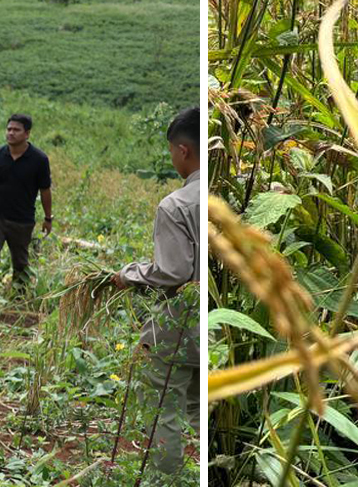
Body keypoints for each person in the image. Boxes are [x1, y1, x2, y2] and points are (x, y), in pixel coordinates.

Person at [111, 106, 201, 475]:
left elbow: (172, 271)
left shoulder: (177, 204)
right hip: (218, 327)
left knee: (164, 406)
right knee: (199, 406)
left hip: (180, 325)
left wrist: (129, 275)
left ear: (183, 150)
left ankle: (168, 479)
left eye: (171, 151)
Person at [0, 113, 53, 298]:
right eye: (9, 129)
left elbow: (45, 190)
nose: (11, 133)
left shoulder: (39, 160)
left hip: (22, 220)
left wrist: (48, 218)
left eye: (16, 130)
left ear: (27, 134)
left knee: (20, 263)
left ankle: (19, 298)